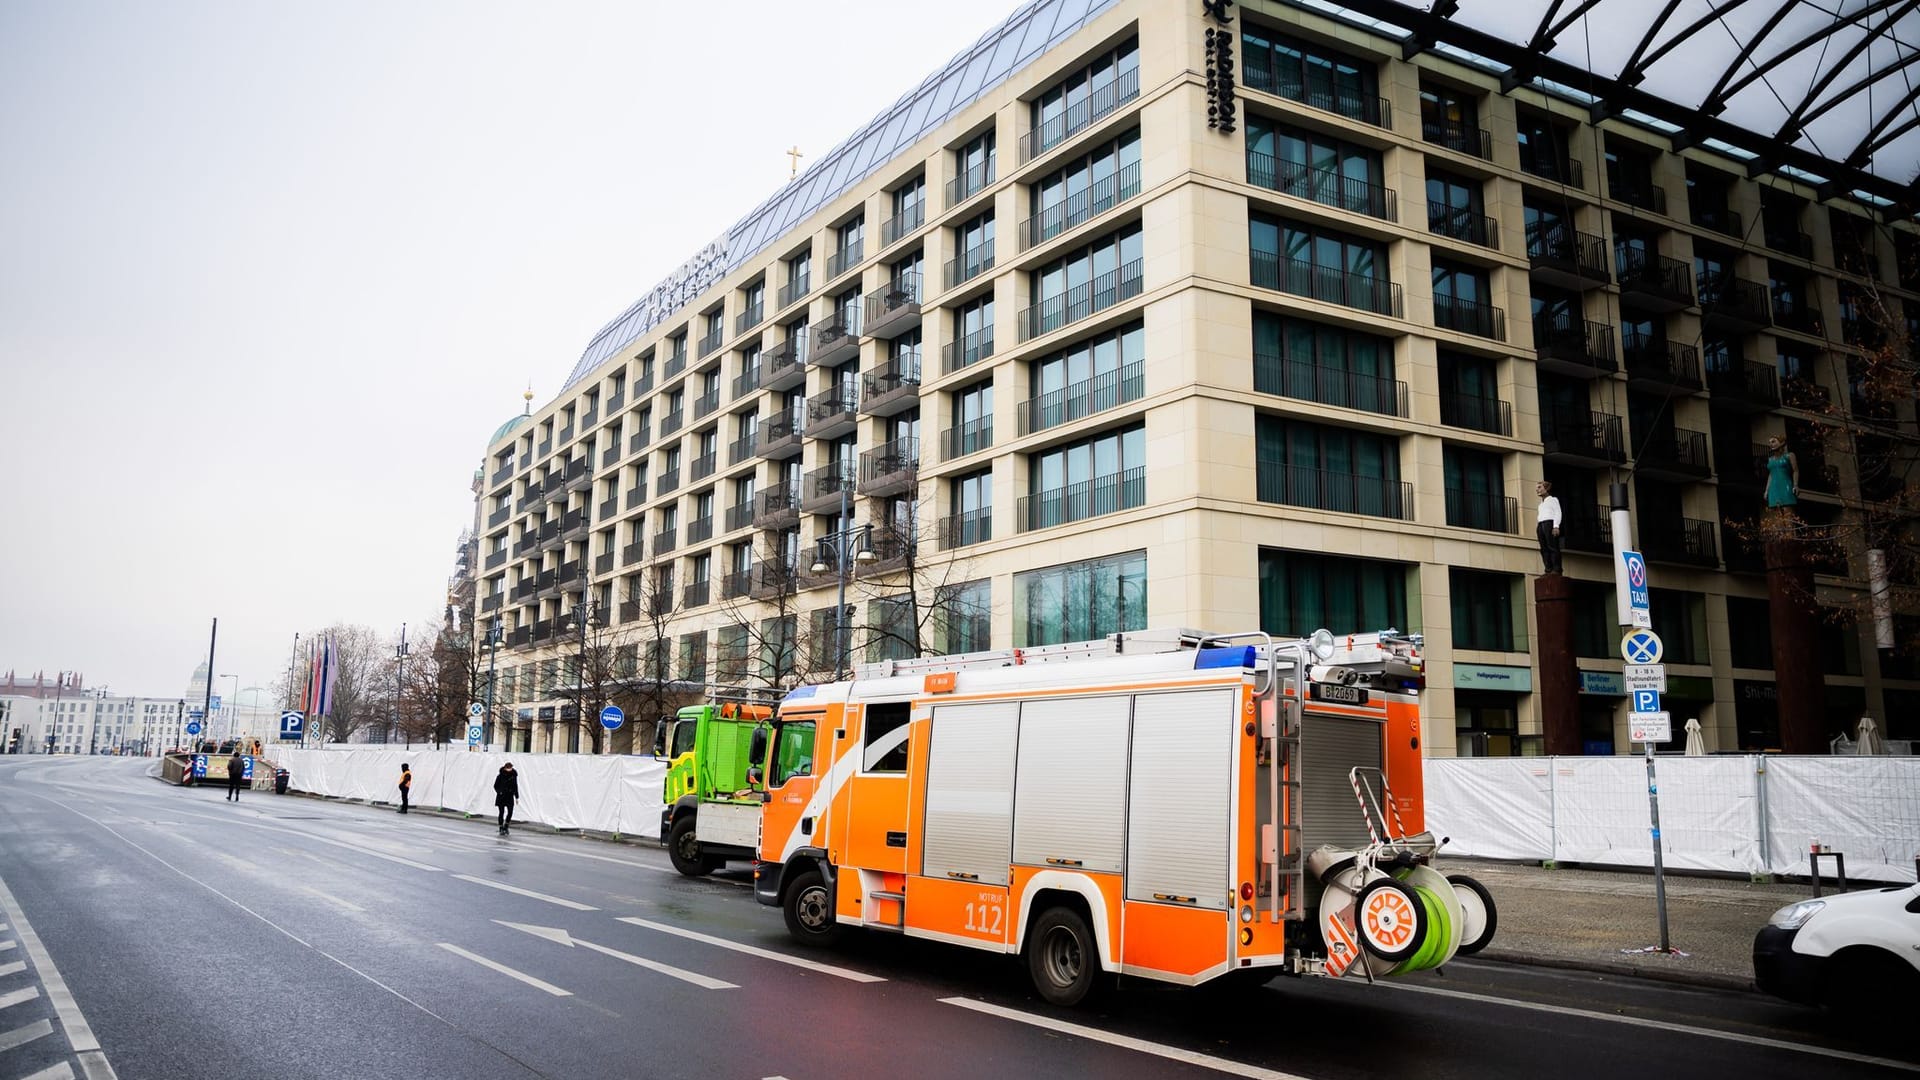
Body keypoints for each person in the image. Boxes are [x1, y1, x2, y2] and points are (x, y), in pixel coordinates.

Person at [1764, 434, 1799, 508]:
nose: (1771, 444)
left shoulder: (1789, 455)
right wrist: (1767, 490)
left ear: (1782, 442)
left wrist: (1795, 485)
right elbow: (1771, 474)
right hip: (1773, 488)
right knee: (1776, 514)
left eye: (1773, 441)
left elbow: (1795, 470)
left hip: (1786, 485)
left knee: (1788, 512)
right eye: (1770, 442)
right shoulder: (1770, 459)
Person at [1535, 480, 1563, 574]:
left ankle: (1557, 568)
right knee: (1543, 548)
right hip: (1541, 524)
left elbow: (1558, 512)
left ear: (1546, 488)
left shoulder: (1553, 499)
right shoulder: (1540, 505)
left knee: (1552, 546)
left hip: (1549, 523)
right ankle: (1548, 568)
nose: (1537, 490)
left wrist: (1556, 526)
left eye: (1539, 487)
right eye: (1536, 488)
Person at [494, 762, 519, 835]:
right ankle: (501, 827)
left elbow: (515, 786)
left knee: (510, 812)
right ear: (505, 768)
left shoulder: (514, 775)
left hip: (510, 796)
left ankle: (506, 826)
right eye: (508, 768)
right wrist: (499, 792)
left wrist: (517, 797)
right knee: (501, 812)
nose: (509, 769)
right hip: (501, 796)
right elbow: (495, 785)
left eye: (510, 768)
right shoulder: (500, 775)